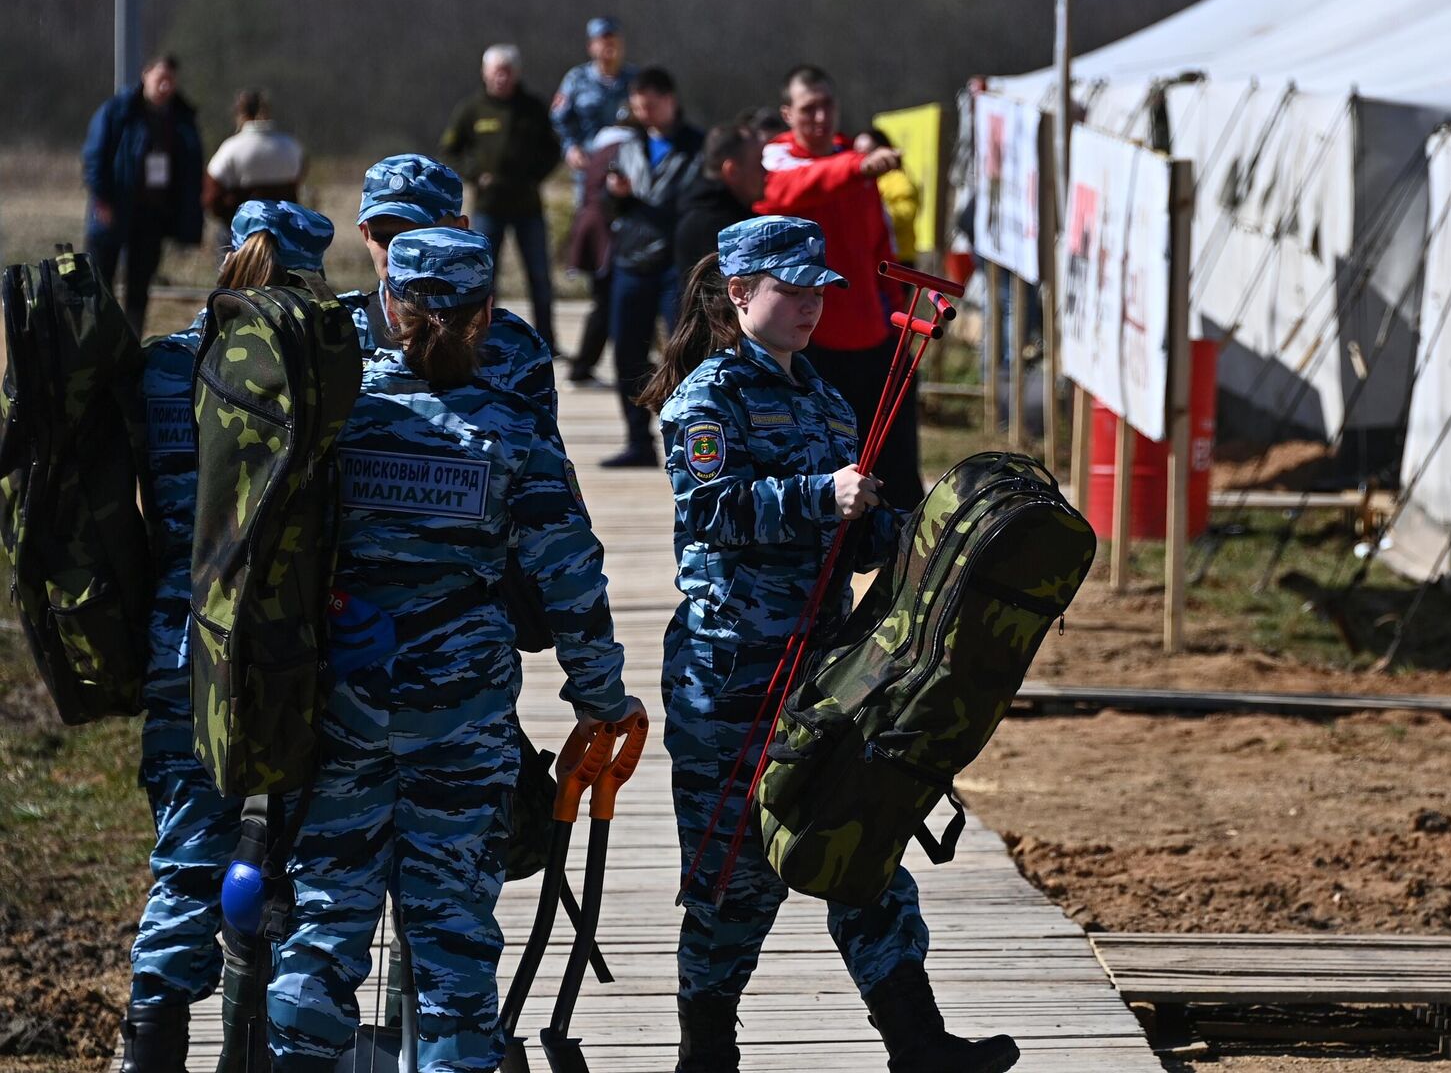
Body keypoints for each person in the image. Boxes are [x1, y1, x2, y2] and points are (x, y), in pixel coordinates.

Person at [645, 215, 1019, 1073]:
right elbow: (709, 512)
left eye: (820, 288)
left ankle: (917, 1041)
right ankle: (706, 1051)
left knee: (864, 845)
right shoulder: (707, 400)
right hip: (730, 672)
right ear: (739, 293)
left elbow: (849, 542)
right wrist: (820, 495)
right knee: (734, 877)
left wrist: (925, 535)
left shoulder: (824, 399)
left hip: (824, 666)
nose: (811, 304)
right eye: (790, 288)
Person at [265, 228, 638, 1072]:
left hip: (344, 713)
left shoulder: (334, 420)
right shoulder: (513, 430)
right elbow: (570, 576)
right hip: (463, 724)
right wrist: (602, 698)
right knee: (453, 944)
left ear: (389, 306)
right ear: (486, 318)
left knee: (325, 923)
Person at [116, 199, 334, 1073]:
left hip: (180, 640)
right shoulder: (312, 370)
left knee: (186, 850)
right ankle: (266, 1038)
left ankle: (151, 1044)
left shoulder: (160, 367)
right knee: (294, 855)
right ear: (310, 277)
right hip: (284, 647)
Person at [759, 64, 923, 510]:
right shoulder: (778, 157)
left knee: (896, 468)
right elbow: (787, 189)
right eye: (808, 108)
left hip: (873, 337)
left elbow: (879, 248)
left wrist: (896, 317)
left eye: (827, 105)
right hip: (809, 345)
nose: (820, 117)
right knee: (824, 467)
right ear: (788, 113)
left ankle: (904, 559)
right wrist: (857, 165)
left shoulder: (854, 162)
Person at [341, 153, 555, 412]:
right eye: (384, 236)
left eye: (418, 235)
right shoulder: (339, 332)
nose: (399, 251)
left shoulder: (513, 346)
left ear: (461, 230)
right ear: (365, 234)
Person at [600, 66, 703, 467]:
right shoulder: (628, 145)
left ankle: (690, 439)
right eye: (638, 107)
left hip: (676, 264)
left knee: (684, 351)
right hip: (632, 260)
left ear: (671, 100)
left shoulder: (698, 146)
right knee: (627, 350)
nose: (644, 115)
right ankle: (637, 441)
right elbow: (612, 208)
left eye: (651, 106)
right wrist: (618, 196)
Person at [442, 43, 564, 352]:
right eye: (496, 72)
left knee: (539, 277)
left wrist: (535, 175)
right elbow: (450, 150)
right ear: (485, 74)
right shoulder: (472, 109)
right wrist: (474, 173)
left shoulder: (533, 108)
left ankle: (548, 340)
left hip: (527, 206)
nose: (502, 78)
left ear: (517, 74)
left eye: (507, 72)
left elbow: (554, 149)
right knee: (483, 276)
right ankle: (482, 335)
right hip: (488, 207)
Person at [82, 52, 204, 336]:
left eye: (170, 81)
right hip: (114, 208)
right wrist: (102, 198)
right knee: (100, 282)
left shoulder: (181, 118)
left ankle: (132, 343)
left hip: (153, 214)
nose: (165, 87)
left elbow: (191, 169)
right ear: (145, 75)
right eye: (160, 79)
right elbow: (94, 158)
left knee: (140, 285)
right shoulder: (118, 111)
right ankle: (100, 343)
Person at [562, 106, 639, 387]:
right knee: (608, 304)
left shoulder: (600, 147)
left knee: (604, 302)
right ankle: (584, 367)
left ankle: (585, 366)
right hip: (607, 233)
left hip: (590, 229)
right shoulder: (625, 148)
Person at [551, 16, 638, 202]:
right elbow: (558, 118)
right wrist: (570, 147)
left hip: (628, 166)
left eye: (613, 41)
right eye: (602, 41)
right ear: (591, 46)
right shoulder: (577, 79)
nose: (609, 46)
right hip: (589, 165)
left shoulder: (635, 80)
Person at [673, 120, 764, 277]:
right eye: (758, 163)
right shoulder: (713, 230)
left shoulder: (739, 215)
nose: (766, 172)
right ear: (732, 171)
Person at [202, 88, 304, 224]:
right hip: (283, 226)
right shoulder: (291, 145)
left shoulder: (231, 148)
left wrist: (228, 214)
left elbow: (212, 197)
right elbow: (300, 174)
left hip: (243, 228)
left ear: (240, 114)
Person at [854, 127, 918, 264]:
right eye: (856, 153)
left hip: (898, 258)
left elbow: (906, 212)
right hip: (872, 255)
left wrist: (877, 214)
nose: (861, 159)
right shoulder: (862, 182)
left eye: (867, 152)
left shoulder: (897, 179)